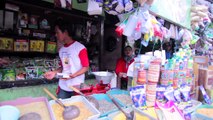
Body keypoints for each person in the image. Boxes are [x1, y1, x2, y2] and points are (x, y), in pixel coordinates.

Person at [44, 18, 89, 99]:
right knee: (61, 109)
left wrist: (73, 75)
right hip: (63, 87)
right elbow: (64, 67)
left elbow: (85, 67)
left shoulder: (80, 48)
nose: (56, 35)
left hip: (77, 86)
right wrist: (54, 72)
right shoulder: (62, 50)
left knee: (78, 108)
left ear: (65, 32)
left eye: (57, 32)